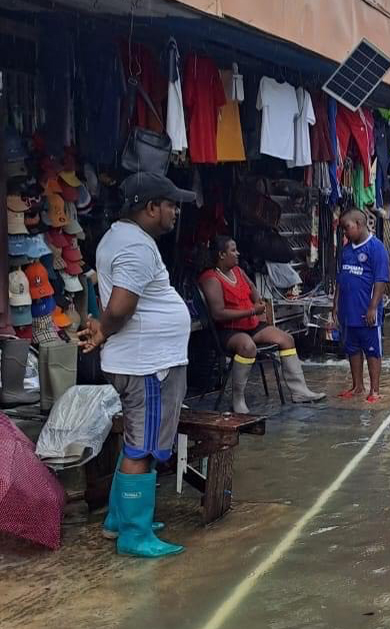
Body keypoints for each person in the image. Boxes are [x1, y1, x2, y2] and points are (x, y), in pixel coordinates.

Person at [79, 172, 195, 558]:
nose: (175, 211)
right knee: (141, 449)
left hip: (145, 359)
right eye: (170, 204)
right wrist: (103, 331)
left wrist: (102, 330)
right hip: (148, 364)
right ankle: (135, 534)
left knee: (136, 443)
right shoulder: (135, 247)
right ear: (150, 208)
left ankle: (119, 520)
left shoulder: (121, 237)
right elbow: (122, 306)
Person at [198, 236, 326, 413]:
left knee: (286, 339)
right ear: (221, 254)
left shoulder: (238, 271)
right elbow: (218, 314)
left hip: (251, 325)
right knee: (247, 347)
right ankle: (238, 400)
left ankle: (299, 392)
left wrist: (258, 303)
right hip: (228, 330)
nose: (238, 253)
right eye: (233, 250)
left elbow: (253, 290)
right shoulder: (210, 278)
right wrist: (251, 311)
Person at [332, 208, 389, 403]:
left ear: (359, 224)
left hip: (367, 312)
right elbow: (341, 278)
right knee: (352, 349)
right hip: (348, 311)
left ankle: (374, 390)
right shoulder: (347, 250)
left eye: (347, 228)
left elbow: (381, 280)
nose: (344, 232)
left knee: (372, 350)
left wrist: (373, 307)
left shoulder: (376, 248)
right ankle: (357, 386)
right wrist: (335, 305)